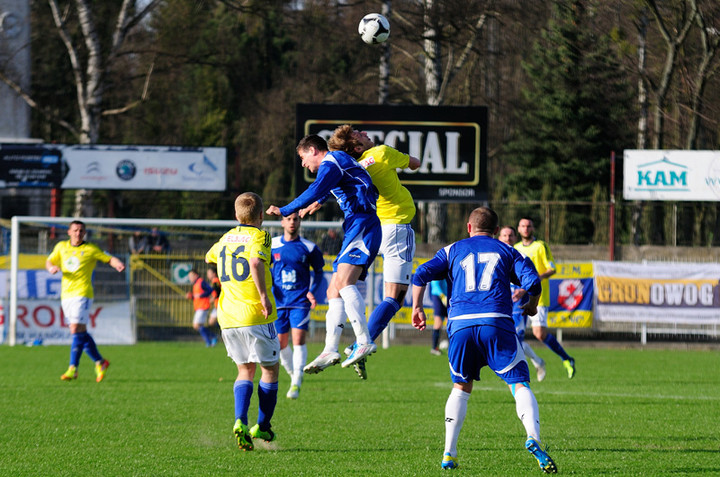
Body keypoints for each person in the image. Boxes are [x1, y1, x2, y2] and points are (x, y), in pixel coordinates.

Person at [411, 206, 557, 473]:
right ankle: (533, 438)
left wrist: (416, 307)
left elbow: (420, 274)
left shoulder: (452, 249)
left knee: (460, 387)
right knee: (520, 384)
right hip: (496, 323)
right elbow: (533, 280)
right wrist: (532, 304)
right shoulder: (507, 251)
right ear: (495, 229)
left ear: (469, 227)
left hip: (460, 326)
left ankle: (449, 453)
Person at [266, 134, 381, 374]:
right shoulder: (336, 164)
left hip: (363, 223)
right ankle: (330, 348)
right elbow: (337, 184)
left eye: (302, 157)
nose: (302, 164)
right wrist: (320, 200)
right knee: (333, 289)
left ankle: (364, 340)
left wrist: (286, 208)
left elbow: (318, 186)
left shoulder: (331, 161)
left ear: (312, 149)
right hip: (357, 224)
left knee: (344, 283)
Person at [314, 124, 421, 379]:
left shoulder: (348, 167)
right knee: (395, 297)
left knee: (342, 283)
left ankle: (334, 345)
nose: (366, 132)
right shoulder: (382, 153)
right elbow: (415, 163)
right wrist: (402, 161)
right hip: (397, 225)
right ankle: (359, 343)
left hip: (371, 230)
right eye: (360, 134)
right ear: (357, 146)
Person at [205, 192, 279, 451]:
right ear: (260, 216)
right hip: (255, 313)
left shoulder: (226, 238)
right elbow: (256, 260)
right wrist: (263, 296)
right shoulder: (261, 235)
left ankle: (240, 421)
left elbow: (209, 257)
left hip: (228, 315)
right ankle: (263, 425)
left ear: (237, 215)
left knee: (244, 370)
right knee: (269, 369)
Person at [46, 220, 125, 382]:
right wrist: (51, 268)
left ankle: (72, 368)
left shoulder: (90, 249)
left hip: (82, 293)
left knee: (75, 329)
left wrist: (117, 264)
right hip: (66, 295)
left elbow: (108, 258)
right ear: (69, 232)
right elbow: (50, 261)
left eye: (81, 231)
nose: (78, 233)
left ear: (85, 233)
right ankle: (100, 362)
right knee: (79, 332)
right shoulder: (61, 247)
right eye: (75, 230)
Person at [270, 212, 325, 399]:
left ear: (300, 222)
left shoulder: (309, 247)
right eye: (288, 219)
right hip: (278, 302)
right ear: (282, 222)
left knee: (298, 339)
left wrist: (312, 291)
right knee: (280, 343)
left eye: (295, 219)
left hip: (299, 301)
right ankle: (293, 374)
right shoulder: (273, 245)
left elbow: (319, 273)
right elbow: (262, 269)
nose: (292, 222)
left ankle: (296, 381)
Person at [515, 217, 576, 379]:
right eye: (523, 226)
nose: (526, 229)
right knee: (514, 335)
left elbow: (552, 268)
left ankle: (567, 359)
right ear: (518, 229)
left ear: (533, 228)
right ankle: (526, 366)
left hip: (538, 297)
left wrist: (533, 281)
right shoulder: (515, 248)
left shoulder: (540, 246)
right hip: (518, 299)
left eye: (528, 226)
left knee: (539, 334)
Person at [498, 225, 546, 382]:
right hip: (501, 305)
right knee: (506, 340)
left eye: (510, 235)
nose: (508, 238)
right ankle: (537, 361)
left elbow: (532, 279)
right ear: (499, 238)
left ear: (515, 238)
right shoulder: (495, 256)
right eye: (504, 235)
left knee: (516, 340)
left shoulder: (521, 257)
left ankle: (518, 376)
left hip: (518, 306)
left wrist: (524, 291)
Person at [186, 269, 217, 347]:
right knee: (199, 325)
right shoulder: (196, 284)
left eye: (191, 276)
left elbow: (210, 290)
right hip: (199, 307)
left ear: (196, 275)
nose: (190, 278)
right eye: (189, 276)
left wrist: (201, 295)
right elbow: (198, 296)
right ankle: (210, 339)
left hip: (203, 306)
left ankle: (211, 338)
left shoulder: (201, 282)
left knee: (196, 325)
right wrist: (192, 297)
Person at [429, 279, 448, 356]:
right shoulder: (438, 269)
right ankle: (434, 348)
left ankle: (451, 348)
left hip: (447, 296)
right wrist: (442, 295)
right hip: (438, 296)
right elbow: (435, 285)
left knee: (449, 322)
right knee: (438, 322)